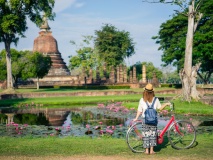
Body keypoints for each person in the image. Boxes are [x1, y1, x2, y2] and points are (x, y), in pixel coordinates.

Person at [133, 83, 170, 155]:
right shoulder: (156, 100)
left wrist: (136, 118)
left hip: (145, 120)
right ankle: (152, 150)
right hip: (153, 120)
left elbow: (139, 110)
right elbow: (159, 108)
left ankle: (147, 151)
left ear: (145, 92)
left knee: (146, 134)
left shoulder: (142, 100)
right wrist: (166, 104)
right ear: (152, 92)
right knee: (153, 135)